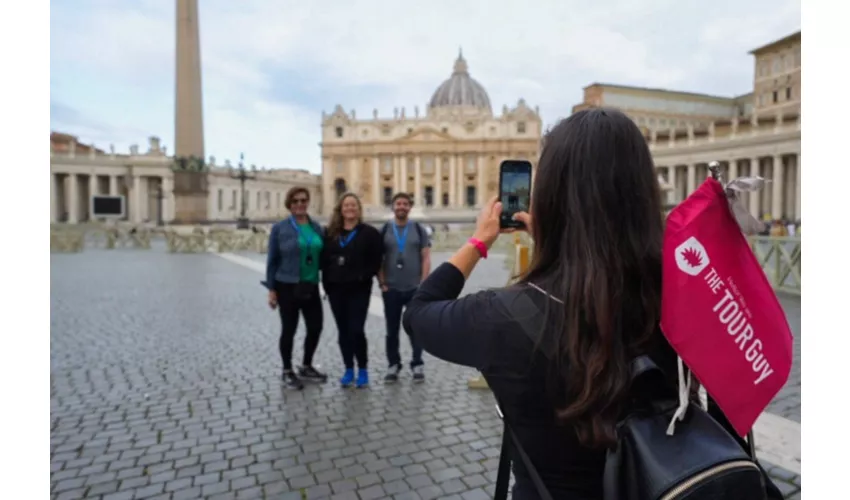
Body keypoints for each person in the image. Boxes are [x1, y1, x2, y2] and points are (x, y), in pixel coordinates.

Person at [402, 109, 681, 499]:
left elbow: (418, 312)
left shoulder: (502, 317)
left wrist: (480, 241)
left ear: (549, 197)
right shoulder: (682, 296)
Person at [264, 186, 328, 390]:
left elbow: (324, 255)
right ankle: (286, 370)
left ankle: (307, 365)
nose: (300, 204)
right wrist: (272, 290)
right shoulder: (280, 228)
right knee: (289, 329)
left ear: (308, 202)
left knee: (315, 327)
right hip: (287, 285)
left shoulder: (317, 227)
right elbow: (272, 260)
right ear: (289, 204)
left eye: (303, 200)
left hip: (310, 284)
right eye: (295, 201)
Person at [321, 192, 383, 388]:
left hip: (359, 289)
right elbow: (324, 260)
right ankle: (349, 368)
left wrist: (363, 276)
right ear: (340, 209)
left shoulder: (369, 233)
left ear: (358, 209)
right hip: (336, 289)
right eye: (346, 205)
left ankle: (362, 368)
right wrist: (327, 284)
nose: (350, 208)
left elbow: (376, 260)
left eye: (353, 205)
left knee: (356, 329)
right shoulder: (330, 233)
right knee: (343, 331)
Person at [378, 193, 432, 383]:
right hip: (391, 288)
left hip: (413, 288)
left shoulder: (418, 229)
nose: (401, 207)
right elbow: (379, 259)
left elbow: (425, 256)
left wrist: (423, 284)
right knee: (391, 330)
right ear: (393, 207)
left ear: (410, 207)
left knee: (415, 328)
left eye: (405, 204)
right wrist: (382, 282)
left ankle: (417, 363)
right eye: (398, 203)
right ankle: (393, 364)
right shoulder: (384, 229)